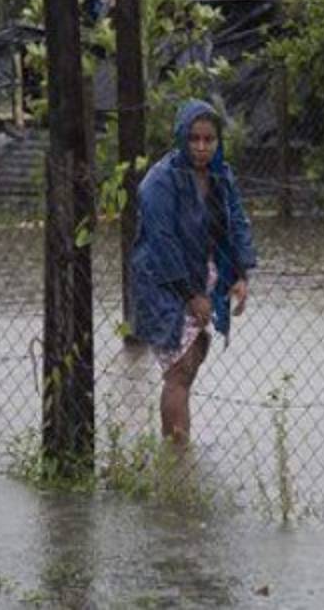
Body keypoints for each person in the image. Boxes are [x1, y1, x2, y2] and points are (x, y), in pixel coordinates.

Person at [130, 99, 257, 446]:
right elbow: (162, 243)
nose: (201, 147)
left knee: (193, 357)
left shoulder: (220, 175)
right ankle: (176, 456)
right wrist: (190, 295)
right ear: (181, 138)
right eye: (194, 139)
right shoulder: (160, 181)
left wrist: (240, 273)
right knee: (179, 370)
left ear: (218, 141)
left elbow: (236, 223)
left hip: (203, 273)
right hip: (163, 283)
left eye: (209, 139)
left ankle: (178, 454)